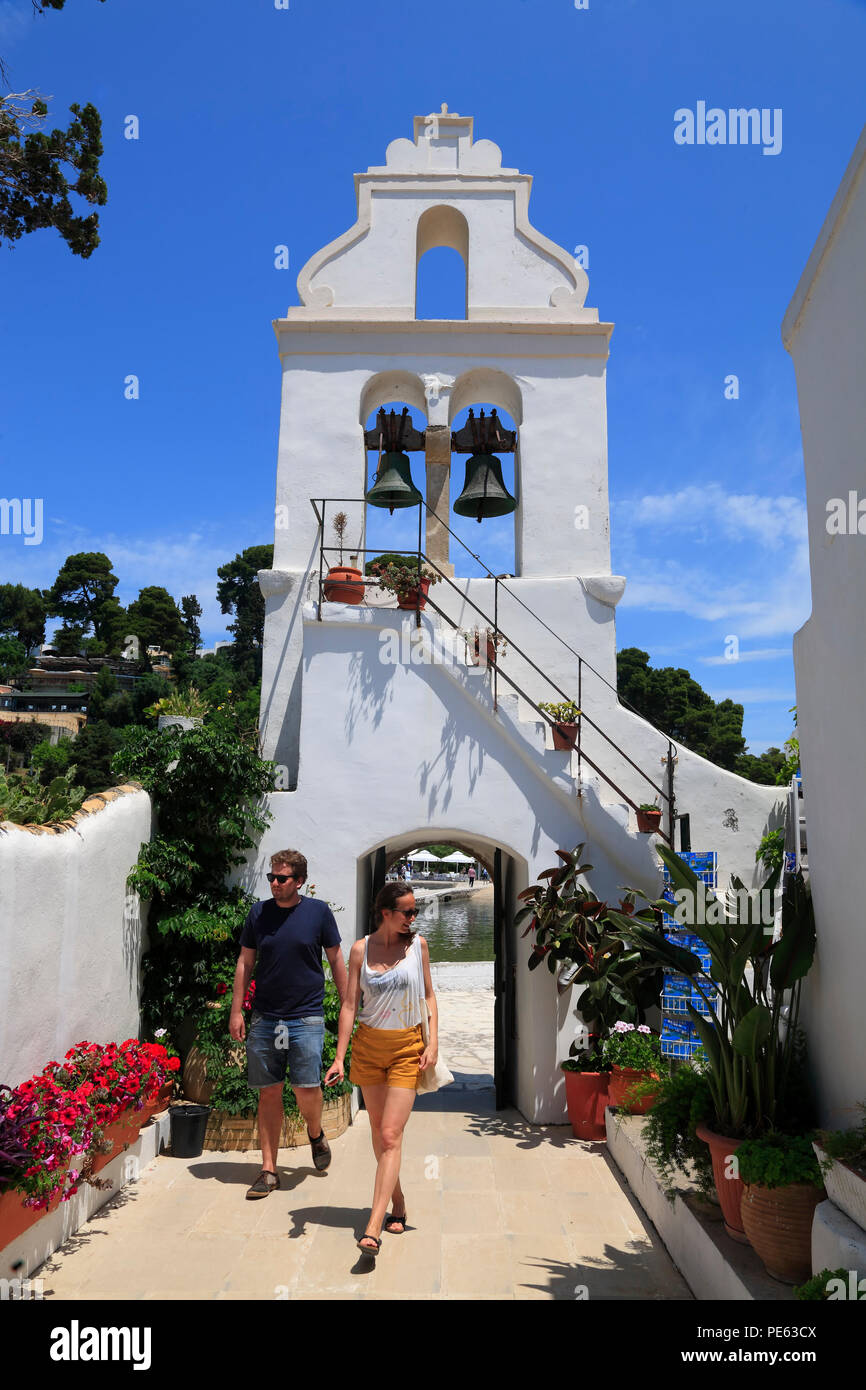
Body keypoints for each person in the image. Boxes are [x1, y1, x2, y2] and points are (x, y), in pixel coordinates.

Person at [324, 881, 438, 1258]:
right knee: (378, 1132)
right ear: (386, 913)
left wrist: (432, 1043)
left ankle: (373, 1227)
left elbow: (428, 996)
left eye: (415, 911)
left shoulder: (417, 947)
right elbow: (349, 1006)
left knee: (390, 1134)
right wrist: (340, 1057)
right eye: (407, 911)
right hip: (369, 1048)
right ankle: (399, 1201)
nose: (413, 918)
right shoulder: (361, 949)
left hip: (407, 1047)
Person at [229, 849, 348, 1198]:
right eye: (272, 877)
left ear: (299, 881)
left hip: (306, 1015)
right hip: (266, 1016)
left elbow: (336, 958)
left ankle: (314, 1131)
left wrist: (347, 1003)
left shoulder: (318, 913)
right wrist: (237, 1010)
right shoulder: (259, 913)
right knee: (269, 1091)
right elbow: (245, 962)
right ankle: (268, 1170)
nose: (275, 884)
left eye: (282, 878)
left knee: (306, 1087)